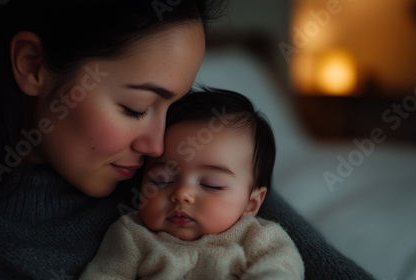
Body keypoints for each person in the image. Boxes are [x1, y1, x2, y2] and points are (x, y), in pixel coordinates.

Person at [0, 0, 376, 279]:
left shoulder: (198, 173)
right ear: (33, 65)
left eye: (174, 107)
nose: (157, 145)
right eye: (135, 108)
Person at [79, 88, 304, 279]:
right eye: (162, 180)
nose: (182, 194)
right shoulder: (133, 234)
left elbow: (281, 270)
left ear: (251, 204)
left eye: (212, 185)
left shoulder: (257, 236)